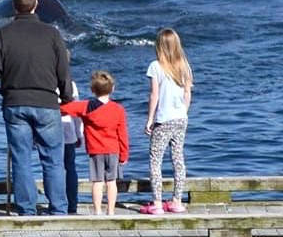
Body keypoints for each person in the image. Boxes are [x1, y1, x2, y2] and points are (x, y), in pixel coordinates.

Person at [0, 0, 73, 216]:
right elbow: (64, 71)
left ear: (14, 6)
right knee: (53, 160)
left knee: (21, 160)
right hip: (47, 103)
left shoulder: (2, 34)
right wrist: (66, 97)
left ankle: (26, 211)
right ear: (36, 5)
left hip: (15, 103)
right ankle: (58, 210)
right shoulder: (52, 33)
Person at [60, 71, 129, 216]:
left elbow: (64, 109)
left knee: (97, 182)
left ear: (92, 90)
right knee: (111, 182)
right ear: (112, 89)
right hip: (113, 150)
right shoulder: (118, 109)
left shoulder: (87, 106)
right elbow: (122, 134)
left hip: (96, 151)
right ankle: (111, 211)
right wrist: (124, 155)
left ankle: (97, 211)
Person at [141, 28, 193, 215]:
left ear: (159, 46)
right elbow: (187, 94)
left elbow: (154, 95)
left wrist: (149, 119)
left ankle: (157, 202)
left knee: (156, 161)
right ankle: (177, 201)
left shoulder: (156, 66)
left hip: (163, 120)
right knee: (178, 159)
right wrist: (183, 111)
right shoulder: (184, 66)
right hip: (181, 118)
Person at [59, 72, 83, 214]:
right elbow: (76, 112)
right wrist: (80, 134)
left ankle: (56, 203)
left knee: (52, 167)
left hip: (49, 131)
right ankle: (72, 204)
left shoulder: (45, 80)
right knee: (70, 167)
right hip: (68, 130)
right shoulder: (70, 84)